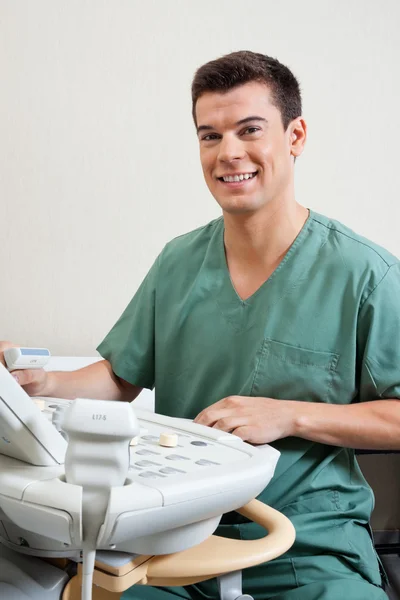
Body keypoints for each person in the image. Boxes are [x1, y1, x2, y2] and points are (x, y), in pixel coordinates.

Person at [1, 50, 400, 599]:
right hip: (171, 545)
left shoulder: (365, 274)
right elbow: (121, 377)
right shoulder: (179, 261)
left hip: (305, 549)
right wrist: (38, 384)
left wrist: (290, 416)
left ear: (296, 135)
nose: (228, 152)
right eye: (209, 135)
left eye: (249, 129)